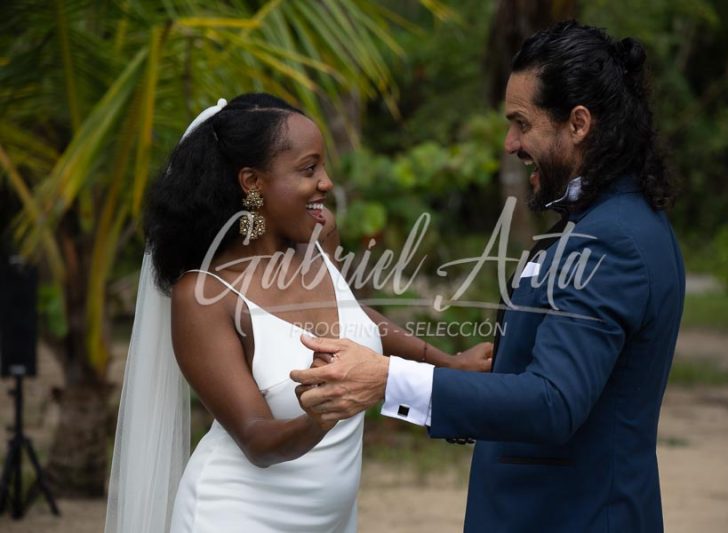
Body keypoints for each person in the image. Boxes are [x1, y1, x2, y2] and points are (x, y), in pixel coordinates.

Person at [291, 21, 685, 533]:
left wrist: (389, 380)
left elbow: (553, 401)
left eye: (521, 123)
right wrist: (476, 374)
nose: (509, 143)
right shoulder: (604, 222)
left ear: (578, 123)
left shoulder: (610, 239)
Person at [103, 93, 491, 533]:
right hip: (235, 516)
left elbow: (354, 316)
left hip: (331, 521)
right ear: (252, 182)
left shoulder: (319, 238)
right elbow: (256, 438)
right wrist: (317, 419)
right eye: (309, 169)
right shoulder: (206, 295)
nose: (326, 182)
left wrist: (445, 364)